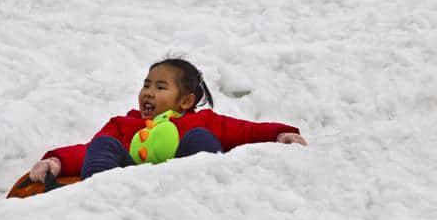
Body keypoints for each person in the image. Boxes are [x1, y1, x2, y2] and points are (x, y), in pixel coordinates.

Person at [30, 58, 307, 183]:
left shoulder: (203, 121)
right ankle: (99, 189)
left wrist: (280, 134)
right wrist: (56, 161)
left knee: (200, 139)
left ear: (185, 101)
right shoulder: (124, 124)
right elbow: (87, 150)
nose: (149, 92)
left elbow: (245, 131)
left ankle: (203, 184)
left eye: (161, 87)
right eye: (147, 85)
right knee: (104, 144)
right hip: (124, 181)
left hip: (182, 181)